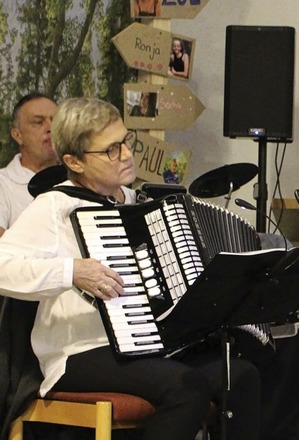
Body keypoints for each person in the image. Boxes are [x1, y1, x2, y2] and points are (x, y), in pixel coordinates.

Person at [0, 97, 261, 440]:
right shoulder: (54, 206)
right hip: (80, 353)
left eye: (125, 142)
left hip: (148, 347)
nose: (125, 154)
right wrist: (71, 271)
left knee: (241, 375)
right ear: (73, 161)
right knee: (186, 387)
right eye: (110, 150)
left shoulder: (138, 203)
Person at [0, 92, 58, 237]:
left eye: (56, 121)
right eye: (38, 122)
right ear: (18, 135)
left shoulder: (81, 179)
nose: (50, 128)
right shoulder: (3, 183)